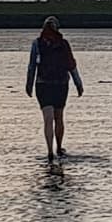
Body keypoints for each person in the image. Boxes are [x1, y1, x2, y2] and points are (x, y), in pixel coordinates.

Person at [24, 16, 82, 160]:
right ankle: (59, 149)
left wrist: (29, 85)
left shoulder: (37, 44)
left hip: (43, 85)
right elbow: (71, 65)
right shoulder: (63, 44)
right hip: (61, 84)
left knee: (48, 119)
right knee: (59, 118)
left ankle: (50, 151)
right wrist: (78, 83)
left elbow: (32, 66)